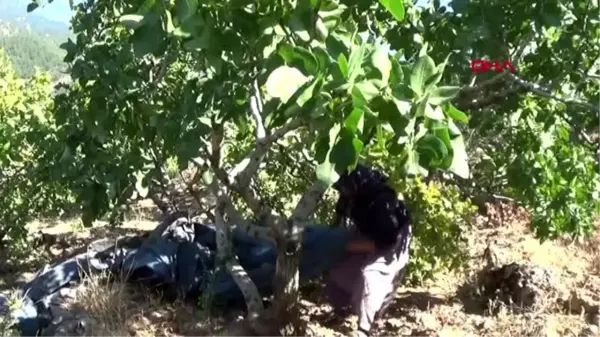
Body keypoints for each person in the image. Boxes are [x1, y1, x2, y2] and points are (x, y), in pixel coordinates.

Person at [325, 163, 412, 337]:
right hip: (370, 232)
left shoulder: (383, 203)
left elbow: (385, 241)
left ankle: (364, 327)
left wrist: (350, 246)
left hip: (392, 237)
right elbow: (338, 220)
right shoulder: (351, 196)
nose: (342, 190)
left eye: (344, 187)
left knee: (371, 274)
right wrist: (332, 242)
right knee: (337, 268)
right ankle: (342, 309)